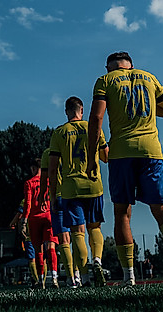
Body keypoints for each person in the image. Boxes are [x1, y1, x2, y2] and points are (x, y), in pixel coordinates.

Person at [88, 52, 163, 285]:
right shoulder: (149, 78)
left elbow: (96, 118)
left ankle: (129, 276)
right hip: (151, 151)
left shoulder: (105, 81)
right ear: (131, 66)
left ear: (109, 68)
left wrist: (90, 156)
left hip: (121, 153)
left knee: (122, 213)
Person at [48, 96, 109, 287]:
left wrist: (51, 194)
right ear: (81, 111)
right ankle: (97, 260)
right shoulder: (93, 127)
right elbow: (106, 157)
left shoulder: (59, 133)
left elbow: (52, 168)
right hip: (93, 185)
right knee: (95, 228)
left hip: (70, 188)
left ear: (66, 111)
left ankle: (83, 277)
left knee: (77, 233)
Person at [15, 161, 57, 288]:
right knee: (51, 248)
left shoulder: (29, 183)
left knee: (38, 250)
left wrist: (24, 220)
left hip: (35, 218)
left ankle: (41, 280)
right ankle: (54, 277)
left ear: (33, 169)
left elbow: (28, 203)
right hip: (49, 215)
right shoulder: (49, 181)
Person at [40, 146, 75, 287]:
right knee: (78, 235)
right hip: (76, 193)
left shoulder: (48, 153)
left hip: (58, 197)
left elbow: (48, 174)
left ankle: (70, 277)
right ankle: (81, 275)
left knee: (61, 241)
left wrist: (44, 195)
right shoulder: (71, 148)